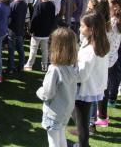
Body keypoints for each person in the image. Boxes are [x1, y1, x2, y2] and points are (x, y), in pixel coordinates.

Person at [37, 27, 78, 147]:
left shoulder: (54, 69)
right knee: (61, 136)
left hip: (54, 112)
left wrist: (39, 91)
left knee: (53, 141)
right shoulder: (73, 68)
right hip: (66, 111)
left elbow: (47, 93)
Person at [74, 12, 110, 147]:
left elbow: (81, 74)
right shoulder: (101, 43)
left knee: (81, 121)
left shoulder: (90, 49)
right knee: (81, 119)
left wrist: (70, 73)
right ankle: (83, 140)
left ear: (91, 29)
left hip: (84, 89)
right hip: (93, 87)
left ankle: (83, 144)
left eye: (82, 26)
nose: (79, 28)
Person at [24, 0, 55, 72]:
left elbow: (35, 19)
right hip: (46, 32)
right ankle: (44, 66)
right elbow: (53, 18)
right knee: (45, 50)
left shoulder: (39, 5)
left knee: (33, 49)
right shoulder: (52, 5)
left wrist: (31, 30)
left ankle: (29, 65)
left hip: (37, 33)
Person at [7, 0, 27, 73]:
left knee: (11, 50)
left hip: (12, 30)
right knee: (20, 49)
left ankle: (11, 68)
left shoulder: (12, 5)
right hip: (20, 29)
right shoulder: (24, 4)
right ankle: (21, 66)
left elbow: (9, 19)